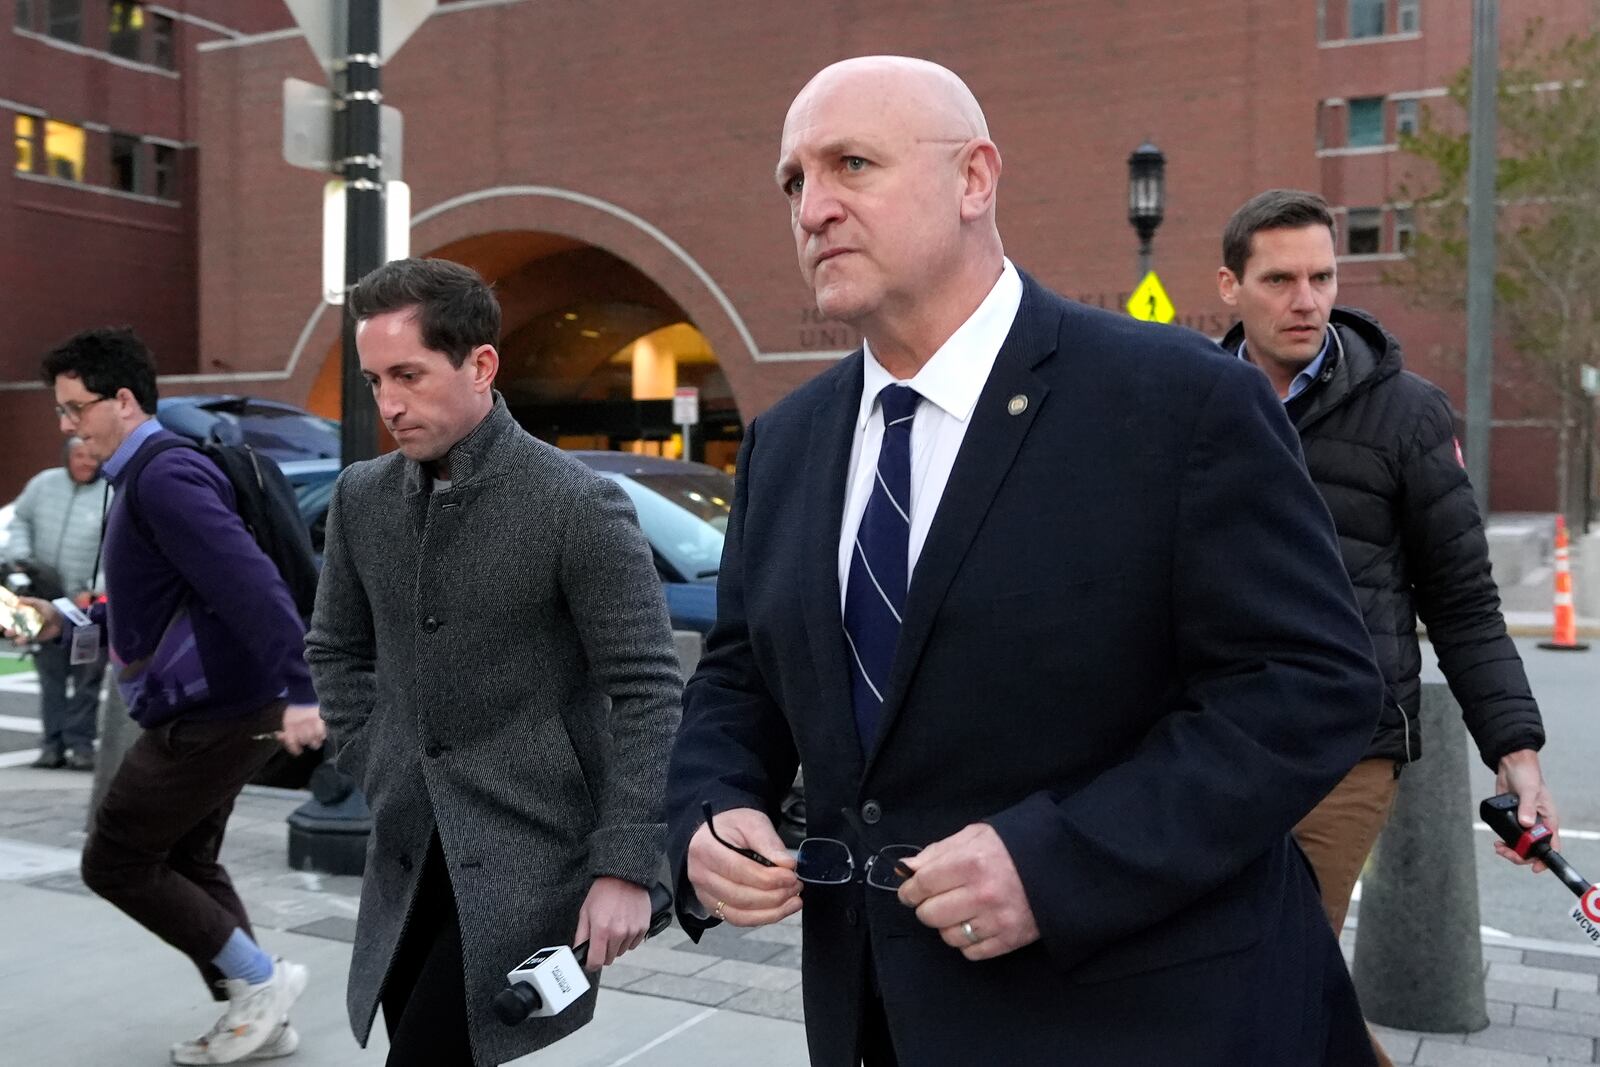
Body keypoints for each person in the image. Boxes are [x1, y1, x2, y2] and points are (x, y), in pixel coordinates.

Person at [665, 56, 1386, 1067]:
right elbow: (742, 671)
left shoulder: (1177, 402)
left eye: (851, 165)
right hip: (876, 1020)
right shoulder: (786, 441)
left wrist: (1059, 862)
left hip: (1149, 1020)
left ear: (974, 179)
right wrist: (709, 806)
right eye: (793, 181)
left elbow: (1308, 688)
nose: (813, 207)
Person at [304, 258, 683, 1067]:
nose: (389, 403)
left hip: (530, 856)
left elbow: (649, 690)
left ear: (480, 365)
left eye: (408, 374)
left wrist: (625, 865)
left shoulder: (575, 503)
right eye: (374, 381)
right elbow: (335, 647)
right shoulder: (362, 497)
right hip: (406, 848)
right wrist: (371, 756)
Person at [1217, 188, 1556, 1066]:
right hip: (1208, 739)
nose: (1306, 299)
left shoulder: (1407, 413)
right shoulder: (1193, 403)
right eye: (1281, 278)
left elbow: (1464, 599)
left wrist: (1515, 751)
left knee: (1270, 967)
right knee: (1251, 977)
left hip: (1348, 745)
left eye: (1322, 276)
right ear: (1230, 286)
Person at [3, 328, 326, 1065]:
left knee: (113, 859)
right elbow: (153, 606)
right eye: (60, 411)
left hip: (210, 710)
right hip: (223, 702)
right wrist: (61, 620)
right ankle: (261, 1011)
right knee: (186, 856)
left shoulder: (162, 477)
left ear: (124, 399)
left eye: (75, 408)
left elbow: (252, 585)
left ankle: (263, 981)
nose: (66, 426)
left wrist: (303, 690)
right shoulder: (140, 476)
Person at [6, 436, 109, 769]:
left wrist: (97, 589)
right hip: (40, 597)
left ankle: (81, 747)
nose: (86, 462)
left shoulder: (112, 492)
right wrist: (21, 556)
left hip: (87, 606)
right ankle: (51, 746)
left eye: (91, 455)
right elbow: (19, 520)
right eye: (79, 455)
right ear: (66, 457)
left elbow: (120, 548)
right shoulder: (42, 484)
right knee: (49, 678)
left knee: (86, 679)